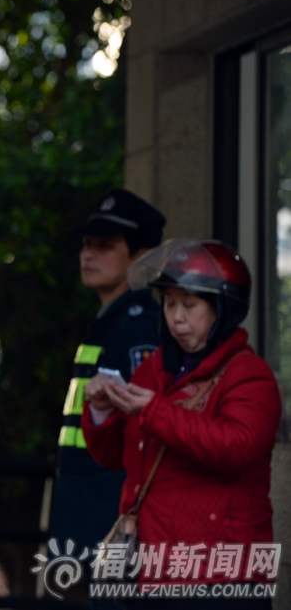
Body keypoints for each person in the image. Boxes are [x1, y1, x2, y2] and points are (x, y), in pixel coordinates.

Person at [83, 240, 281, 609]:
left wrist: (154, 411)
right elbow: (116, 458)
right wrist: (101, 411)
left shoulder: (249, 374)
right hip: (151, 567)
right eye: (170, 303)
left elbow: (236, 449)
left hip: (221, 574)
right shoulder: (154, 370)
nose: (176, 317)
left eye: (189, 305)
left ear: (223, 311)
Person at [50, 189, 166, 560]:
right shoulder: (110, 321)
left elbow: (139, 430)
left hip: (109, 503)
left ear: (142, 257)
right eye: (87, 243)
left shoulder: (139, 327)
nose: (88, 253)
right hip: (86, 502)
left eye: (106, 245)